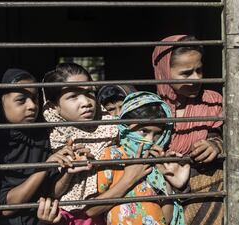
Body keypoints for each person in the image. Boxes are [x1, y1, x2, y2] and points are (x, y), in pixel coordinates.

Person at [37, 92, 190, 225]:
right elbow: (91, 210)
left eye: (157, 135)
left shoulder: (157, 163)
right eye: (144, 131)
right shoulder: (112, 156)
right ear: (125, 127)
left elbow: (167, 218)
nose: (150, 140)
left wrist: (168, 182)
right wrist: (129, 179)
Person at [152, 35, 224, 225]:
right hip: (160, 189)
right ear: (164, 72)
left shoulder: (212, 101)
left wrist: (215, 145)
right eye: (186, 73)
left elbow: (228, 137)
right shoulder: (149, 108)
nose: (196, 79)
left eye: (199, 70)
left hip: (204, 191)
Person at [0, 68, 76, 225]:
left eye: (35, 98)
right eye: (21, 100)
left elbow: (51, 191)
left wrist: (69, 171)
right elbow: (6, 207)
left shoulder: (43, 135)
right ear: (1, 102)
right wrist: (44, 167)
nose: (32, 106)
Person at [42, 63, 118, 224]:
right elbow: (50, 192)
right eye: (73, 96)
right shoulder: (47, 138)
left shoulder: (114, 128)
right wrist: (69, 172)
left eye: (89, 92)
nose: (86, 102)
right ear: (55, 106)